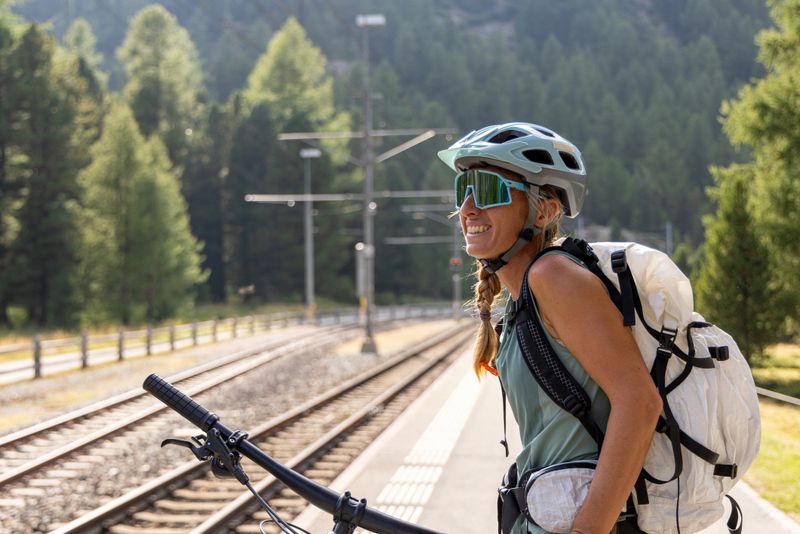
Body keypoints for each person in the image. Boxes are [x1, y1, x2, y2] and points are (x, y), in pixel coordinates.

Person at [437, 123, 663, 534]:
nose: (468, 208)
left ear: (543, 211)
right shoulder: (526, 295)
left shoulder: (554, 276)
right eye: (462, 189)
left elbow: (639, 403)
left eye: (487, 190)